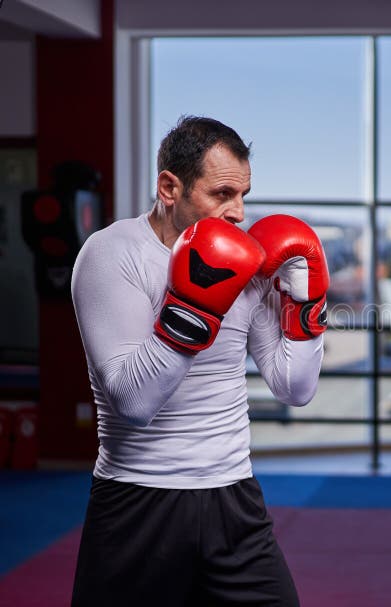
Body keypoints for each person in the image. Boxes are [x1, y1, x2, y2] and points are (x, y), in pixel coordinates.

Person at [70, 115, 328, 606]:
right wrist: (198, 302)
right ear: (170, 186)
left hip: (233, 496)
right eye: (222, 193)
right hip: (138, 502)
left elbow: (294, 388)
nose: (238, 212)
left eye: (244, 195)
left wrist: (306, 306)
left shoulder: (249, 259)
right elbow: (133, 401)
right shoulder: (112, 254)